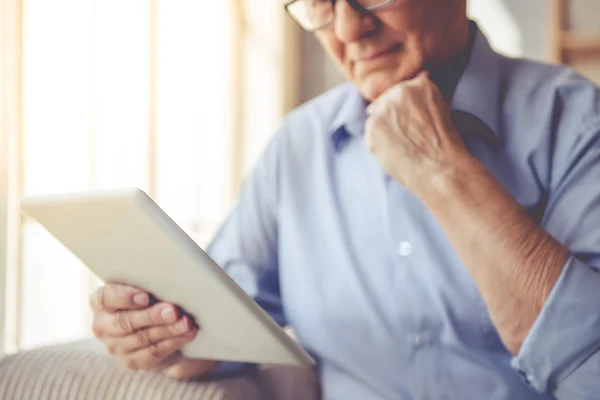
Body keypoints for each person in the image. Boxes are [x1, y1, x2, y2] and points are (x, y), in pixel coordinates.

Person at [89, 0, 600, 398]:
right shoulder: (297, 146)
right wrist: (158, 336)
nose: (348, 29)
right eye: (320, 5)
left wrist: (443, 171)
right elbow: (217, 327)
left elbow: (591, 372)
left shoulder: (576, 123)